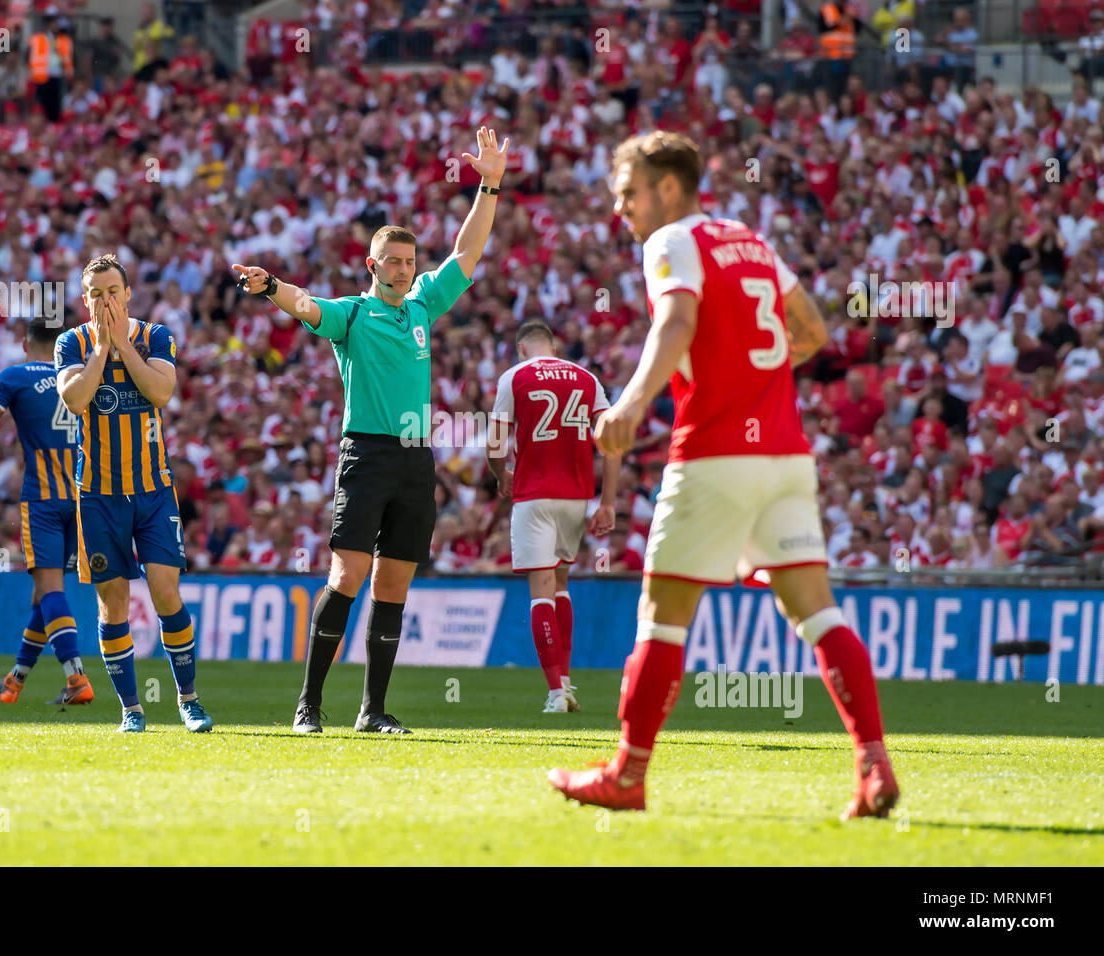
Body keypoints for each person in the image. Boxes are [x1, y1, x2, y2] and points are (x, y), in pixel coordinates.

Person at [548, 131, 899, 818]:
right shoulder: (751, 240)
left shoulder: (672, 242)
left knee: (662, 621)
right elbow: (815, 332)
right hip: (786, 458)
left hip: (713, 457)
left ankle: (627, 773)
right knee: (818, 613)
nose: (623, 210)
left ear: (669, 188)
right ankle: (873, 764)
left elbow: (676, 322)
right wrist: (750, 375)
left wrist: (630, 402)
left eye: (629, 194)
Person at [232, 127, 508, 736]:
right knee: (347, 575)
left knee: (393, 584)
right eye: (397, 261)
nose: (406, 270)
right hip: (366, 456)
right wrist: (272, 287)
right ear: (373, 264)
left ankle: (372, 712)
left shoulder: (422, 307)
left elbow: (468, 252)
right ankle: (308, 706)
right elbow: (307, 305)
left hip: (415, 460)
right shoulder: (353, 314)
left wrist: (488, 183)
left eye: (412, 262)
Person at [55, 254, 213, 734]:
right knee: (113, 603)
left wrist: (123, 344)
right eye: (96, 294)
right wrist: (103, 350)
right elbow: (76, 400)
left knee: (166, 592)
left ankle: (189, 700)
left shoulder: (155, 336)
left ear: (127, 294)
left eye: (113, 292)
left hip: (152, 491)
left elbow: (162, 393)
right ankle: (131, 709)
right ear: (85, 301)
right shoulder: (72, 343)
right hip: (98, 495)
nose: (106, 300)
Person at [486, 319, 619, 714]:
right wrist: (607, 502)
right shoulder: (587, 379)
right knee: (561, 582)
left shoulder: (515, 377)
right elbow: (612, 445)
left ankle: (556, 693)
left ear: (522, 349)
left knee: (541, 588)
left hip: (534, 495)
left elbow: (495, 445)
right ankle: (565, 683)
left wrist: (500, 474)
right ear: (554, 348)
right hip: (576, 497)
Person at [0, 318, 93, 707]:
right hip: (85, 498)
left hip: (42, 499)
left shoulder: (15, 377)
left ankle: (75, 677)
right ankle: (15, 681)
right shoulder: (82, 376)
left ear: (26, 345)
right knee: (44, 595)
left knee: (50, 589)